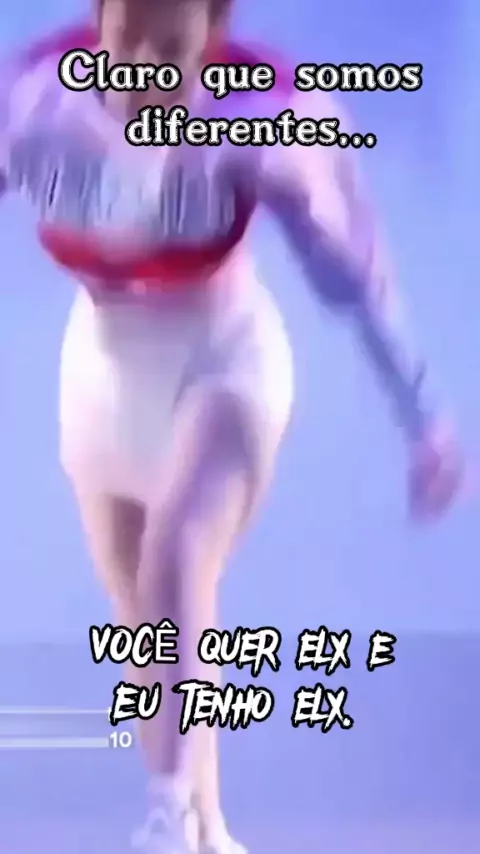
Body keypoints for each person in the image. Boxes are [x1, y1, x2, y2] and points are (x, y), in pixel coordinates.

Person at [2, 0, 464, 852]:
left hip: (226, 365)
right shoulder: (31, 101)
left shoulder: (262, 117)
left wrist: (424, 418)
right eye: (124, 41)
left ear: (212, 41)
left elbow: (360, 285)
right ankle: (203, 829)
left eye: (171, 51)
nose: (141, 73)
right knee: (147, 624)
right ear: (95, 20)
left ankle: (168, 819)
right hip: (100, 382)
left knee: (177, 556)